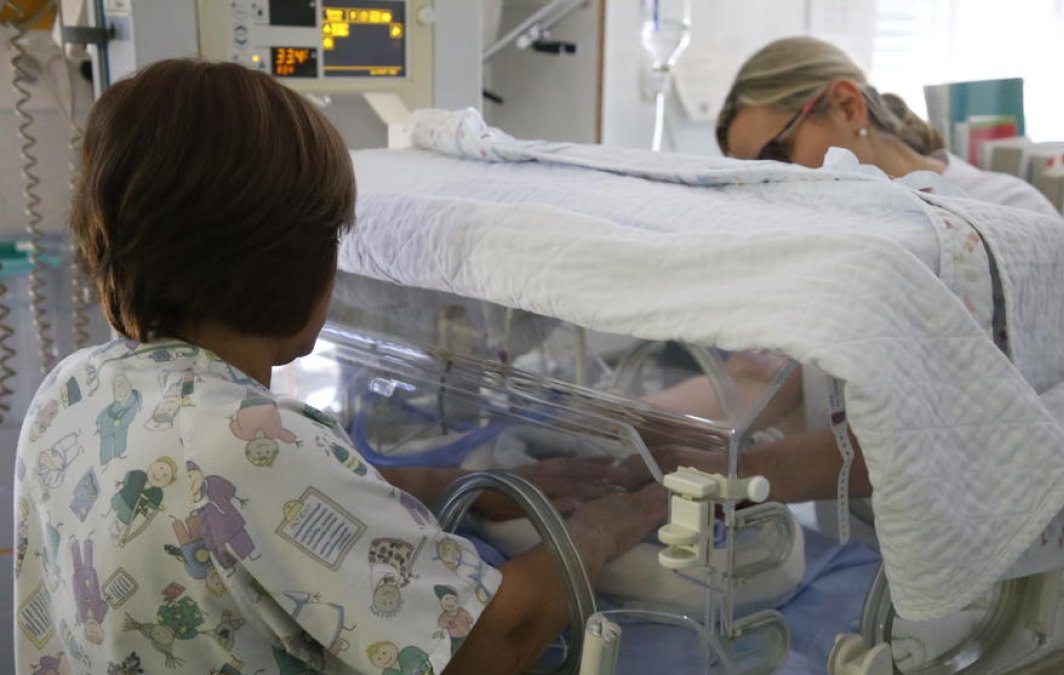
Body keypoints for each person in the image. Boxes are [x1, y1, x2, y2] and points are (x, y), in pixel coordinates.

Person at [14, 58, 665, 675]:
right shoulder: (244, 440)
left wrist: (476, 481)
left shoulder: (71, 389)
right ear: (290, 262)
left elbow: (287, 501)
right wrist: (604, 528)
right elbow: (495, 639)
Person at [716, 36, 1061, 217]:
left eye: (777, 154)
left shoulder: (1010, 208)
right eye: (758, 175)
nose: (775, 183)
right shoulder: (821, 228)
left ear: (847, 107)